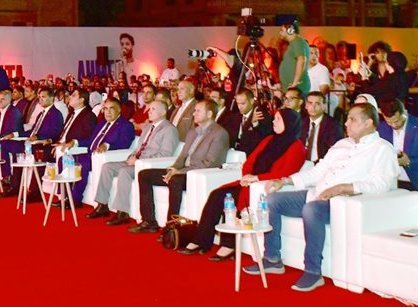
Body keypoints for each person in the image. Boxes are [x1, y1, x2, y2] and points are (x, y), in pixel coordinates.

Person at [243, 102, 397, 292]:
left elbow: (381, 185)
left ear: (369, 123)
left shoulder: (382, 149)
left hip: (343, 202)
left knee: (311, 209)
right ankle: (272, 259)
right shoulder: (342, 144)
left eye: (352, 119)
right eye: (347, 119)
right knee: (272, 200)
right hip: (316, 193)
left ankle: (313, 271)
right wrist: (285, 181)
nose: (346, 123)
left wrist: (345, 187)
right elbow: (317, 172)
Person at [180, 108, 306, 258]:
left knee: (232, 200)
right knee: (217, 195)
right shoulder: (269, 140)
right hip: (248, 181)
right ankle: (201, 240)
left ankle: (228, 245)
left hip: (262, 186)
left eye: (278, 119)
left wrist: (256, 178)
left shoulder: (297, 147)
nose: (273, 121)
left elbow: (285, 174)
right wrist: (247, 176)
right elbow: (250, 161)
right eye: (274, 118)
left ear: (289, 123)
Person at [129, 98, 230, 232]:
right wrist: (174, 168)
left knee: (175, 180)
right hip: (182, 172)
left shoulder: (219, 134)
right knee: (144, 175)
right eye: (194, 110)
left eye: (198, 111)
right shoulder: (193, 132)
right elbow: (182, 156)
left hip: (199, 175)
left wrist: (180, 172)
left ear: (210, 114)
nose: (193, 113)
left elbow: (210, 163)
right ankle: (149, 221)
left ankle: (171, 227)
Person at [89, 100, 177, 228]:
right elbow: (139, 148)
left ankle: (122, 212)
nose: (149, 111)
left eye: (153, 109)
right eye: (149, 109)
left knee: (124, 171)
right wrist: (132, 156)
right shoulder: (148, 127)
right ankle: (102, 205)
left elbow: (165, 155)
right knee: (107, 167)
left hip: (148, 165)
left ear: (163, 112)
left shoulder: (169, 129)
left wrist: (139, 161)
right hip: (136, 160)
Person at [378, 98, 418, 190]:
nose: (393, 125)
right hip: (390, 182)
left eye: (396, 121)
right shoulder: (382, 127)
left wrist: (408, 161)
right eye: (389, 122)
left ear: (404, 112)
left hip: (416, 181)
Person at [301, 91, 343, 163]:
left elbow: (335, 151)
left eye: (317, 103)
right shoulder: (302, 123)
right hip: (301, 163)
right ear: (306, 106)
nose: (313, 107)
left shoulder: (333, 125)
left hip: (322, 164)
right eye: (310, 103)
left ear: (324, 106)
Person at [277, 18, 310, 99]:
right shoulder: (294, 43)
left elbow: (301, 60)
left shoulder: (298, 42)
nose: (280, 33)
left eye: (282, 30)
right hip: (292, 89)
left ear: (290, 30)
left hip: (297, 89)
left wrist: (295, 83)